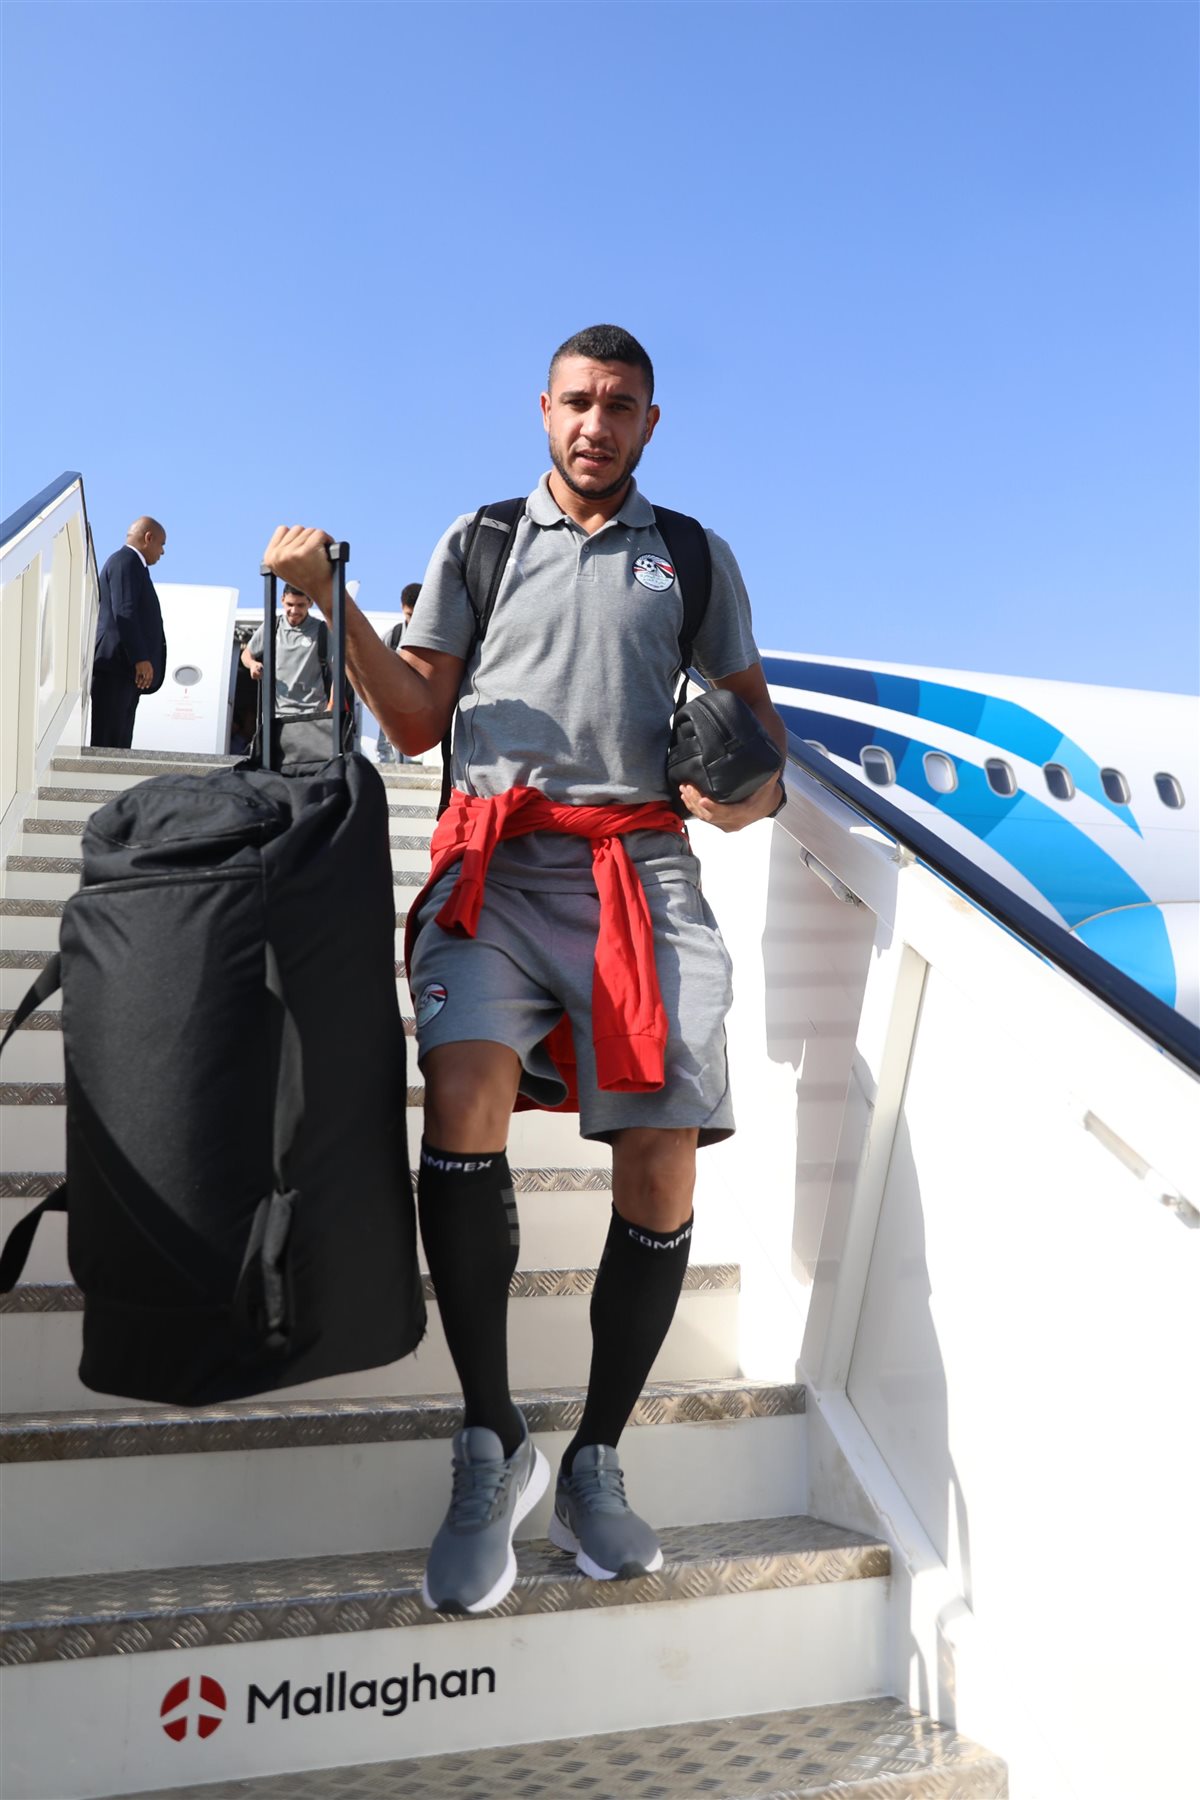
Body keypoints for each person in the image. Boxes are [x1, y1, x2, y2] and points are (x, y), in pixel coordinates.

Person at [262, 323, 787, 1618]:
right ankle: (491, 1439)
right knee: (462, 1094)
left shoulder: (694, 557)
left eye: (620, 406)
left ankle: (597, 1456)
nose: (596, 424)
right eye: (577, 402)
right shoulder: (480, 541)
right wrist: (330, 602)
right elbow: (413, 721)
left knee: (663, 1158)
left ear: (651, 423)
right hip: (494, 862)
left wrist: (740, 794)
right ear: (542, 411)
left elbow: (759, 746)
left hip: (640, 870)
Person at [90, 516, 168, 749]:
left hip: (124, 670)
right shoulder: (126, 562)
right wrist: (140, 658)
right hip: (116, 668)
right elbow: (125, 612)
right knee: (109, 744)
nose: (162, 552)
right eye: (162, 544)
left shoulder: (133, 566)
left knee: (120, 745)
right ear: (148, 538)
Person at [241, 584, 330, 713]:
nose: (294, 611)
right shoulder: (272, 626)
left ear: (310, 603)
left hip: (313, 713)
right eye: (290, 604)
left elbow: (339, 672)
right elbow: (246, 654)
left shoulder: (322, 630)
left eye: (300, 605)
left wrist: (332, 706)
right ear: (282, 600)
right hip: (276, 714)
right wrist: (252, 664)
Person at [376, 583, 420, 763]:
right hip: (392, 700)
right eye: (410, 615)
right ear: (402, 608)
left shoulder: (434, 635)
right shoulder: (393, 636)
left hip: (418, 701)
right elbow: (376, 666)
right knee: (387, 742)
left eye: (418, 615)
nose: (414, 620)